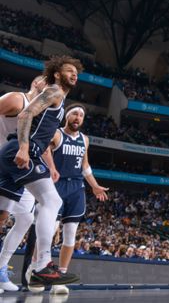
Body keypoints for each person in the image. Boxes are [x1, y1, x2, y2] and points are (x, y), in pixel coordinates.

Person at [0, 56, 83, 287]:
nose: (74, 74)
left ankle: (34, 267)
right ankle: (42, 266)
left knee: (18, 216)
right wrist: (25, 147)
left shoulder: (59, 99)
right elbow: (25, 114)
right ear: (57, 74)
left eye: (76, 72)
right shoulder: (55, 91)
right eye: (69, 70)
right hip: (18, 151)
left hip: (19, 153)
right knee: (52, 201)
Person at [45, 104, 110, 294]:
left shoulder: (85, 139)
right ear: (67, 116)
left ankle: (60, 277)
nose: (78, 117)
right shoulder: (56, 134)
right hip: (56, 185)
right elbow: (44, 151)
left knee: (70, 233)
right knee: (48, 232)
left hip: (76, 188)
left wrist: (94, 185)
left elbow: (85, 165)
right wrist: (50, 168)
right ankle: (38, 268)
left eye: (81, 115)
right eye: (74, 113)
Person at [0, 76, 46, 292]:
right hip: (4, 162)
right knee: (1, 216)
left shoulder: (40, 114)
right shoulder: (17, 100)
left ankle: (0, 268)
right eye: (47, 80)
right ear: (36, 83)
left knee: (26, 217)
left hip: (22, 168)